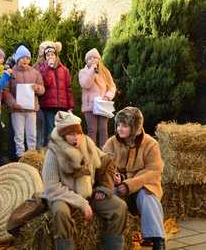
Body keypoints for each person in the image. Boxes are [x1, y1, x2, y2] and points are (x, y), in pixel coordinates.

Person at [42, 111, 126, 250]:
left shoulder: (86, 143)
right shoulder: (54, 151)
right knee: (60, 213)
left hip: (88, 193)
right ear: (63, 135)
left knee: (119, 207)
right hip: (64, 196)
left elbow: (105, 161)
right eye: (71, 134)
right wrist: (81, 203)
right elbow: (52, 187)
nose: (77, 138)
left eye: (78, 133)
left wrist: (105, 187)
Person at [103, 107, 166, 250]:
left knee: (147, 196)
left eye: (125, 126)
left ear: (135, 127)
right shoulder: (111, 143)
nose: (120, 129)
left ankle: (158, 241)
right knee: (106, 194)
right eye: (118, 125)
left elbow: (154, 170)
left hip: (143, 185)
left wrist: (129, 182)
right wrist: (116, 176)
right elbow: (104, 165)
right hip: (118, 186)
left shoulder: (150, 144)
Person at [4, 45, 44, 159]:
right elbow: (6, 91)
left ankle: (32, 157)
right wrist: (12, 103)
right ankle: (20, 157)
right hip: (17, 110)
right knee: (19, 136)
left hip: (31, 109)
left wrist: (37, 88)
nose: (25, 60)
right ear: (17, 59)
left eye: (27, 57)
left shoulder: (35, 73)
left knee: (32, 135)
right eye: (22, 57)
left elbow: (42, 89)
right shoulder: (11, 73)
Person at [36, 41, 74, 146]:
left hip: (62, 106)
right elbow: (46, 84)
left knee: (61, 131)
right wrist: (48, 68)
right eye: (48, 55)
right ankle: (49, 152)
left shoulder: (64, 70)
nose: (50, 57)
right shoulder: (42, 69)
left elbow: (69, 89)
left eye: (52, 54)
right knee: (50, 130)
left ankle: (61, 152)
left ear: (56, 56)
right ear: (45, 57)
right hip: (48, 105)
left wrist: (70, 106)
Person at [79, 48, 116, 148]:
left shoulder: (105, 72)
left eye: (95, 58)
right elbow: (85, 84)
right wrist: (92, 71)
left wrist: (108, 97)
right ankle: (91, 153)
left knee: (103, 129)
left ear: (99, 60)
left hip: (102, 106)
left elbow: (112, 86)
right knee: (92, 130)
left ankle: (104, 153)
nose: (93, 60)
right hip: (90, 107)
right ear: (86, 61)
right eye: (90, 58)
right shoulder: (83, 72)